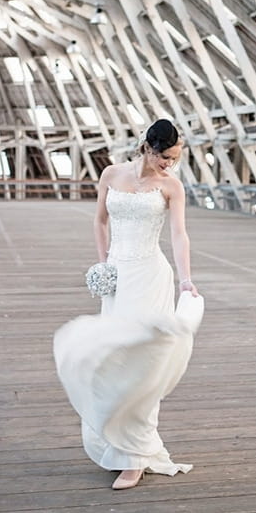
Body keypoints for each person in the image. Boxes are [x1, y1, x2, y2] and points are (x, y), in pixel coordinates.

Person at [53, 119, 204, 490]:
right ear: (148, 148)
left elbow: (179, 235)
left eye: (175, 158)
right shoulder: (111, 174)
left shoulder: (171, 186)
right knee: (113, 358)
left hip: (151, 276)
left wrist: (186, 279)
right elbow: (99, 221)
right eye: (166, 157)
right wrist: (104, 265)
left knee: (143, 363)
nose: (170, 164)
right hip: (117, 278)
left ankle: (135, 458)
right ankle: (114, 443)